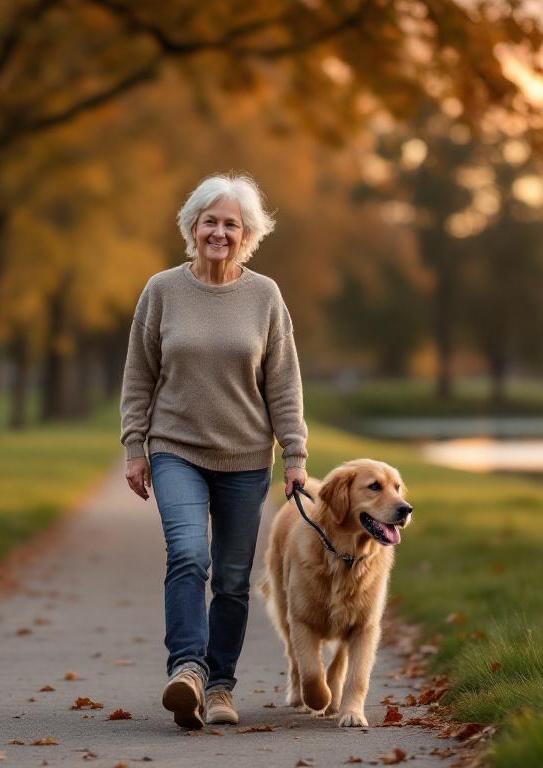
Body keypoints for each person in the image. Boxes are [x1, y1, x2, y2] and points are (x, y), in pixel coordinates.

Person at [119, 172, 309, 730]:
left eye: (231, 223)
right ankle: (188, 672)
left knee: (230, 576)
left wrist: (294, 456)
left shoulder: (265, 295)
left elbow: (284, 382)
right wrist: (136, 446)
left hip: (247, 458)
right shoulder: (162, 290)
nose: (219, 231)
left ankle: (221, 686)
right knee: (188, 556)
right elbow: (139, 374)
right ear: (192, 226)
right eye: (210, 221)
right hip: (176, 449)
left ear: (246, 233)